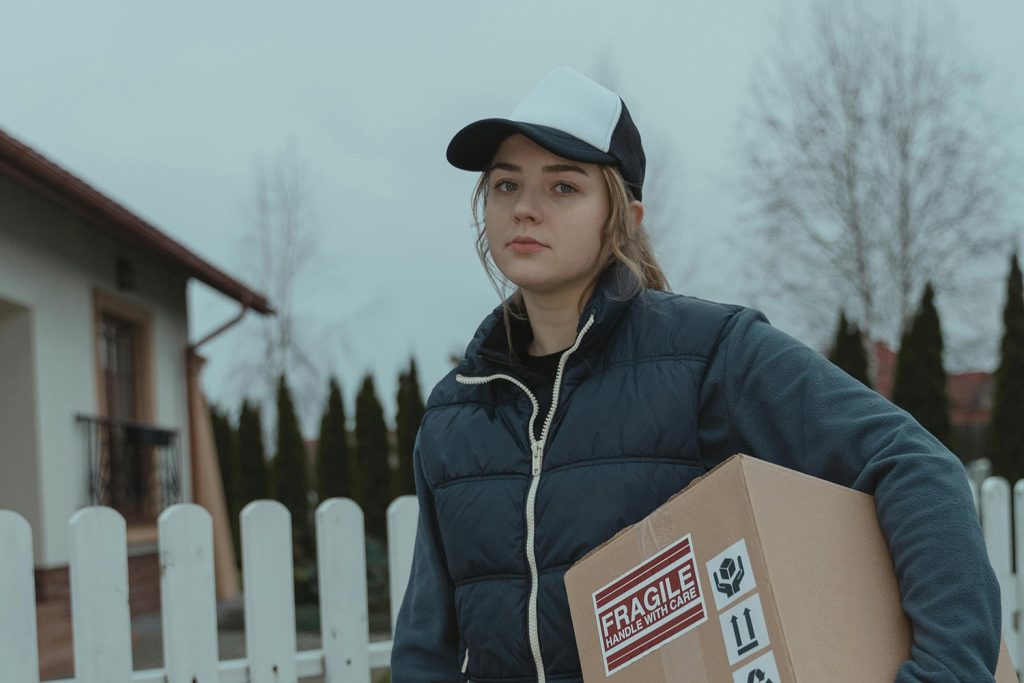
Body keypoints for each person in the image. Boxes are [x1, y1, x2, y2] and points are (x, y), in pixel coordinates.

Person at [390, 67, 1000, 682]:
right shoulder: (454, 411)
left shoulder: (712, 356)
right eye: (504, 184)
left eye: (563, 187)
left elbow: (916, 467)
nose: (524, 208)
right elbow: (426, 643)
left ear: (625, 218)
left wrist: (946, 672)